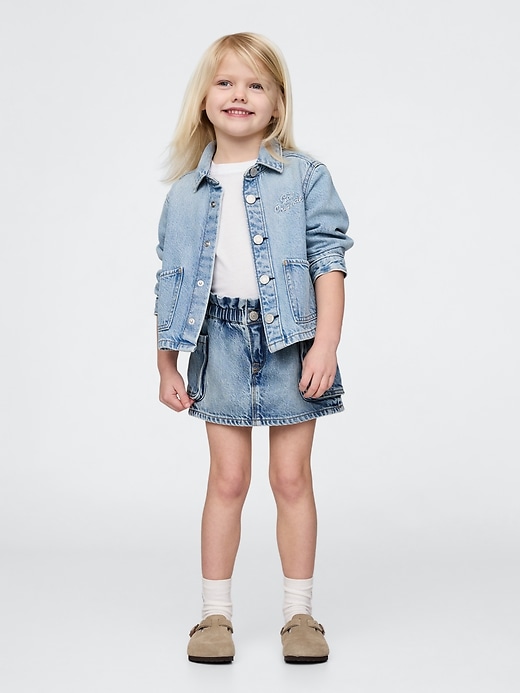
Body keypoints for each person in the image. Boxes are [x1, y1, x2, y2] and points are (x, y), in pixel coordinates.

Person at [154, 32, 353, 665]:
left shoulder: (304, 176)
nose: (239, 94)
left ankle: (300, 614)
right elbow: (171, 280)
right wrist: (166, 362)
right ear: (204, 99)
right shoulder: (185, 193)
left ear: (277, 104)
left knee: (291, 478)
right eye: (225, 82)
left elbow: (328, 263)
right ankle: (215, 615)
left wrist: (325, 345)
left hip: (292, 342)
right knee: (228, 479)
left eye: (256, 84)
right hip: (219, 343)